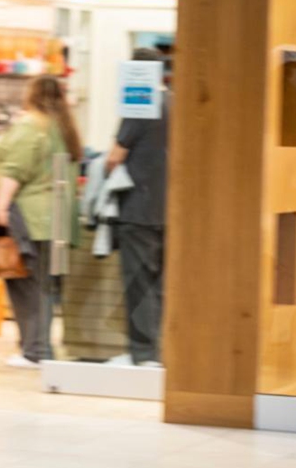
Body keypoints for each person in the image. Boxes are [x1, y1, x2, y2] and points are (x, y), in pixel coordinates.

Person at [0, 75, 83, 369]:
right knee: (46, 287)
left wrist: (0, 207)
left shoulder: (31, 125)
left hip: (31, 218)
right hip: (59, 219)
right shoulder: (64, 127)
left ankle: (34, 351)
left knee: (26, 286)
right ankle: (40, 347)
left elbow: (15, 170)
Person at [105, 47, 169, 367]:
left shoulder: (139, 103)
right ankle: (159, 352)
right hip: (170, 210)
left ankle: (143, 354)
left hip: (138, 208)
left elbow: (115, 157)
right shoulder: (175, 102)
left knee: (139, 283)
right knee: (161, 285)